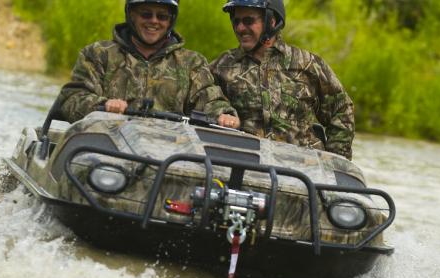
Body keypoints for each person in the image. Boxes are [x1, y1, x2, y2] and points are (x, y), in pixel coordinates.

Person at [57, 0, 240, 129]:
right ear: (131, 15)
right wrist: (103, 105)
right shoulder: (98, 54)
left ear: (171, 21)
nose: (154, 21)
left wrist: (223, 115)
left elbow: (210, 99)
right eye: (146, 14)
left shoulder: (191, 63)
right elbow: (71, 98)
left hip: (169, 156)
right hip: (105, 148)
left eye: (162, 16)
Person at [210, 0, 355, 159]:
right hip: (244, 165)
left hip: (302, 171)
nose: (240, 28)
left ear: (271, 21)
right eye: (236, 21)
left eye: (248, 21)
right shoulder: (222, 66)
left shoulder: (307, 64)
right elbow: (201, 99)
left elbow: (341, 110)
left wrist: (334, 162)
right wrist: (220, 111)